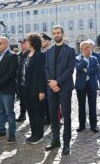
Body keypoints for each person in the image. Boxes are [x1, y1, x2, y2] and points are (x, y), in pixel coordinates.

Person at [45, 25, 76, 155]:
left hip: (65, 87)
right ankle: (55, 140)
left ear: (63, 34)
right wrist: (52, 83)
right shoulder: (49, 51)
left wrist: (58, 82)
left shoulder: (70, 50)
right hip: (52, 88)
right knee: (53, 115)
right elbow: (46, 69)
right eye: (54, 33)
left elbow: (70, 69)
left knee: (66, 115)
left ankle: (66, 143)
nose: (56, 35)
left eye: (58, 33)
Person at [0, 37, 18, 143]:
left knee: (9, 112)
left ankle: (12, 134)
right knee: (0, 111)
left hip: (7, 89)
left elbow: (11, 73)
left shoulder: (12, 55)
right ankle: (1, 130)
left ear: (6, 44)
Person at [22, 33, 46, 144]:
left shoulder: (40, 55)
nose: (25, 42)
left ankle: (39, 135)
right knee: (31, 113)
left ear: (33, 42)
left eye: (27, 40)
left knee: (38, 113)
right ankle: (33, 133)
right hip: (26, 89)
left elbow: (42, 74)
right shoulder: (27, 54)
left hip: (36, 89)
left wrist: (42, 91)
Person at [75, 41, 100, 133]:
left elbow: (96, 70)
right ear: (81, 49)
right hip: (81, 85)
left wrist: (85, 70)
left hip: (92, 84)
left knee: (92, 105)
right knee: (81, 106)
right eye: (86, 48)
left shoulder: (94, 58)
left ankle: (94, 125)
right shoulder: (77, 58)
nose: (88, 49)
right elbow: (78, 68)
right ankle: (82, 125)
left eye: (89, 47)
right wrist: (85, 59)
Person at [16, 38, 29, 122]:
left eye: (23, 43)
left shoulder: (30, 54)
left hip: (28, 81)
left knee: (29, 100)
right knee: (21, 100)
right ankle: (22, 114)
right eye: (21, 43)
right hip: (19, 81)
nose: (22, 45)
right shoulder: (18, 55)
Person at [41, 32, 52, 125]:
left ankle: (51, 117)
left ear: (48, 42)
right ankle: (46, 117)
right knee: (44, 100)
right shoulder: (41, 52)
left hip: (49, 79)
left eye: (44, 41)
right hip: (42, 79)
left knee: (50, 100)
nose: (42, 42)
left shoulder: (51, 51)